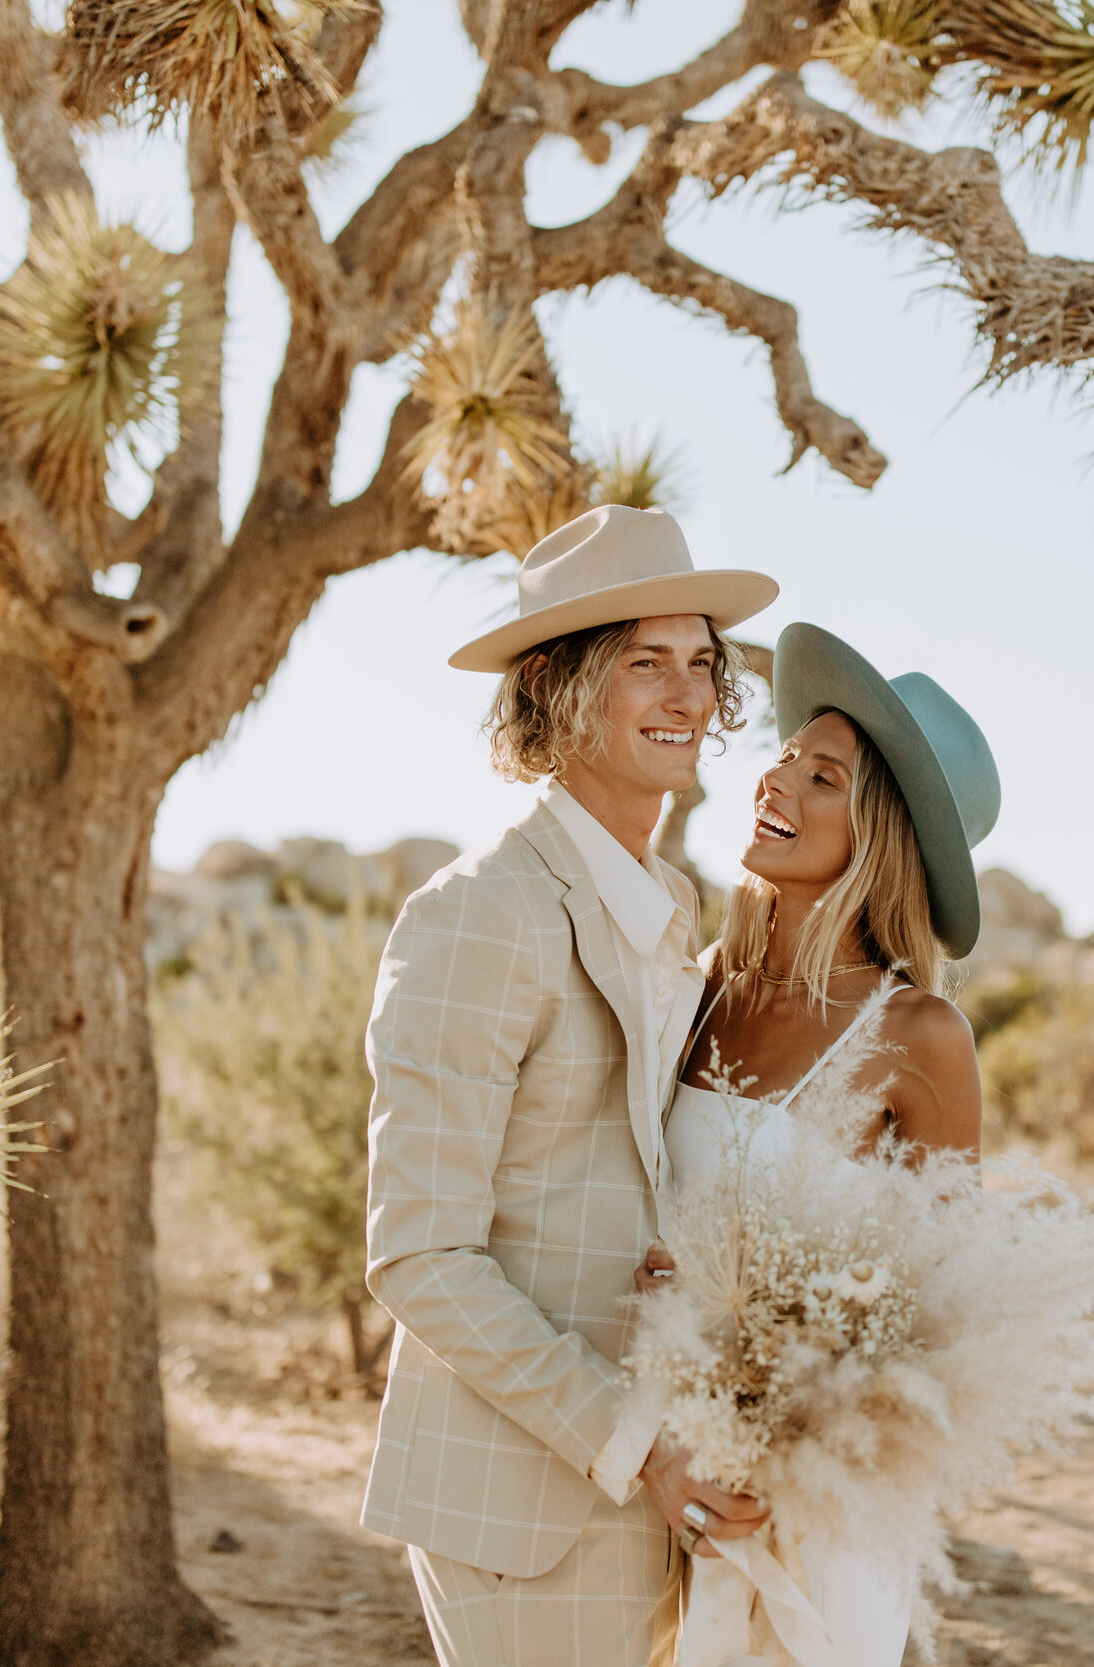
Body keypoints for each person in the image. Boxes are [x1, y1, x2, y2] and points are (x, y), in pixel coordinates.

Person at [360, 505, 782, 1667]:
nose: (687, 696)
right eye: (645, 661)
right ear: (552, 685)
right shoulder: (476, 915)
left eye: (702, 663)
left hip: (659, 1478)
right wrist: (645, 1442)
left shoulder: (671, 907)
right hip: (526, 1503)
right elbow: (419, 1253)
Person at [643, 621, 1003, 1667]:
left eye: (822, 775)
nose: (777, 781)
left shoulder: (918, 1037)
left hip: (809, 1504)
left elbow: (940, 1315)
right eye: (786, 756)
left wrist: (775, 1344)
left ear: (880, 832)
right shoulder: (697, 985)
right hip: (648, 1457)